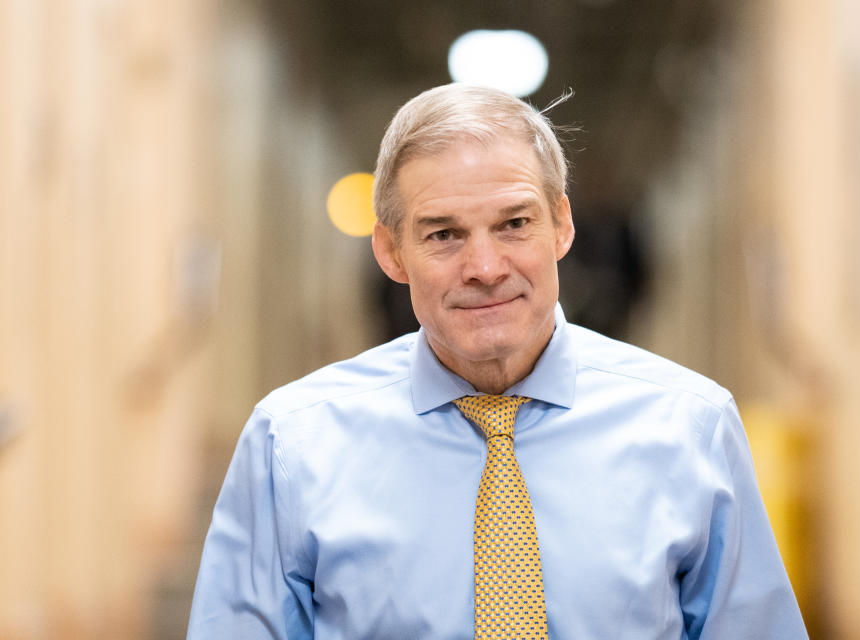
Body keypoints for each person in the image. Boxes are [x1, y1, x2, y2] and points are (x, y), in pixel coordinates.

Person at [187, 83, 808, 639]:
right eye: (443, 234)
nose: (484, 268)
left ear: (561, 226)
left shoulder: (691, 427)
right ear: (390, 251)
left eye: (514, 223)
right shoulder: (292, 444)